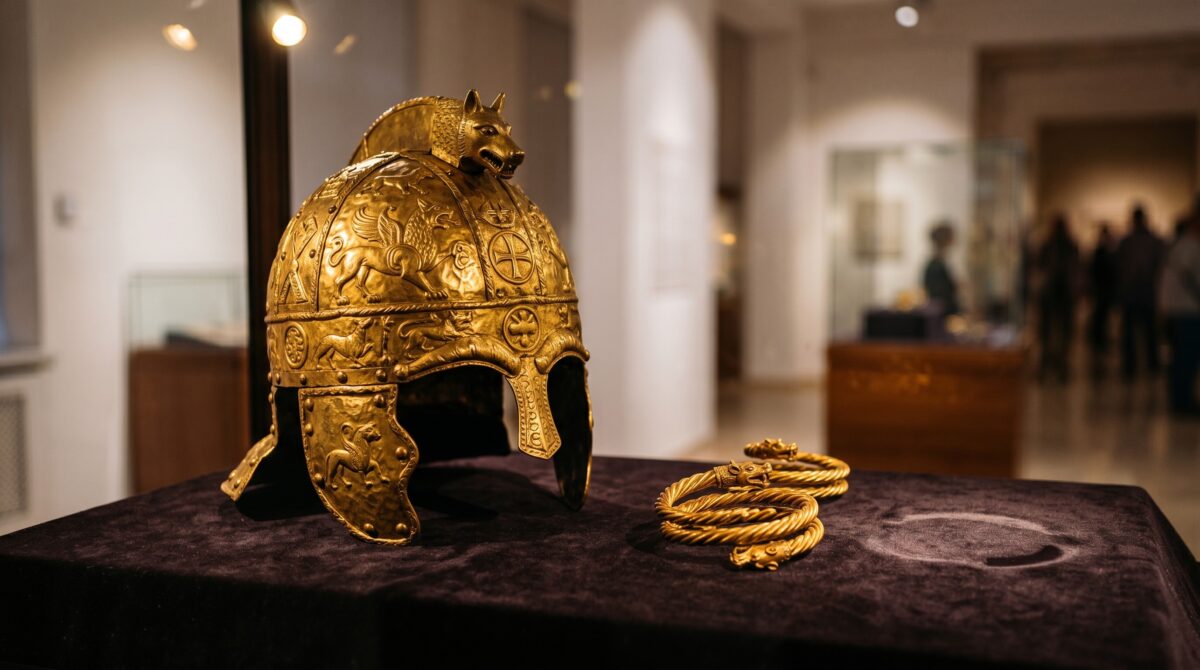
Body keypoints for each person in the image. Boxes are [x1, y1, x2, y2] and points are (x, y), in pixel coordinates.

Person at [1115, 204, 1166, 380]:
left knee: (1144, 332)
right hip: (1138, 292)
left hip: (1140, 292)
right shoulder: (1137, 241)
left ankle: (1140, 365)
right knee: (1141, 332)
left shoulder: (1134, 241)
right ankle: (1143, 365)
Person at [1160, 200, 1200, 414]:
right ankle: (1181, 401)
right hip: (1186, 310)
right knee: (1185, 357)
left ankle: (1182, 399)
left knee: (1185, 357)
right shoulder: (1188, 246)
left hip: (1184, 309)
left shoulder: (1186, 245)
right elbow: (1188, 277)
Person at [1036, 215, 1080, 382]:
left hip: (1059, 294)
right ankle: (1053, 365)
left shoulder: (1057, 245)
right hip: (1054, 294)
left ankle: (1056, 365)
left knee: (1056, 334)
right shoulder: (1056, 245)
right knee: (1053, 334)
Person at [1088, 224, 1117, 366]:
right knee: (1100, 317)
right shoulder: (1102, 252)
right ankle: (1099, 341)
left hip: (1103, 290)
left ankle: (1100, 341)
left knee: (1101, 317)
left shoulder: (1104, 252)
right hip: (1101, 290)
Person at [922, 222, 960, 317]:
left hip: (944, 311)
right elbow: (938, 294)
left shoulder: (941, 262)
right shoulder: (936, 265)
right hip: (943, 313)